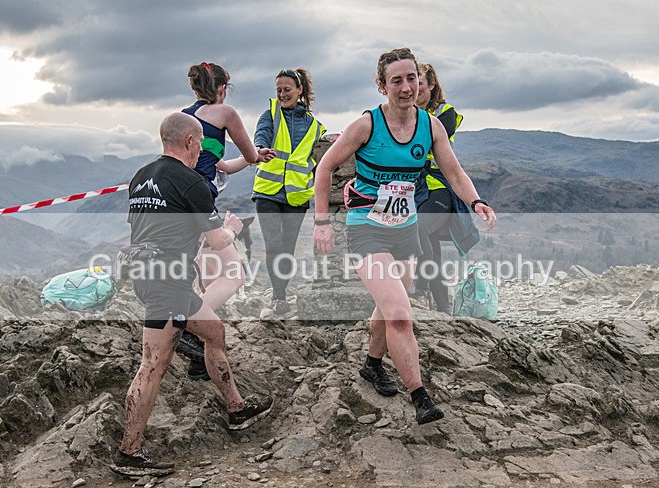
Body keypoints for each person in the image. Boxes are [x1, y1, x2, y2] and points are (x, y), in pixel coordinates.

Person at [313, 48, 496, 425]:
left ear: (421, 81)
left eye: (412, 78)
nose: (406, 87)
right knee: (399, 313)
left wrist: (476, 201)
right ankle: (419, 395)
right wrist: (321, 222)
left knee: (389, 303)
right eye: (396, 80)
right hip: (367, 227)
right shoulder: (366, 125)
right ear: (382, 86)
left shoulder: (431, 126)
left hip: (405, 227)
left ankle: (372, 364)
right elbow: (325, 167)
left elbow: (454, 172)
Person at [112, 112, 273, 478]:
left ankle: (236, 408)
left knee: (214, 332)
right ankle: (129, 452)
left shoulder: (141, 177)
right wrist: (232, 228)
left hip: (154, 276)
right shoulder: (191, 182)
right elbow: (216, 240)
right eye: (200, 142)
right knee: (153, 364)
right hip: (167, 282)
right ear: (189, 141)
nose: (202, 149)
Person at [177, 62, 276, 380]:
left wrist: (251, 159)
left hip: (178, 200)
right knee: (234, 273)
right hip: (200, 201)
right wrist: (256, 155)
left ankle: (197, 359)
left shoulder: (186, 117)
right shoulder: (226, 113)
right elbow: (248, 153)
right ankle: (189, 329)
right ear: (222, 88)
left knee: (198, 275)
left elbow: (220, 164)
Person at [250, 68, 325, 318]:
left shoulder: (315, 126)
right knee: (273, 244)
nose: (282, 94)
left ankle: (280, 292)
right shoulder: (270, 114)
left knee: (288, 247)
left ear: (299, 90)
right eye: (278, 90)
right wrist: (260, 147)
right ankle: (278, 296)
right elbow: (262, 134)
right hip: (267, 192)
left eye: (287, 89)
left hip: (296, 196)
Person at [412, 63, 480, 313]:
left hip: (439, 188)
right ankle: (443, 308)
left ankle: (420, 290)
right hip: (415, 191)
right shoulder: (405, 114)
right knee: (431, 248)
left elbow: (428, 140)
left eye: (420, 83)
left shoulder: (445, 112)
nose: (415, 88)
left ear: (431, 85)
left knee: (419, 229)